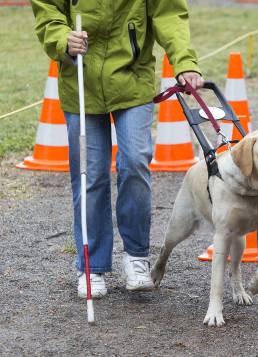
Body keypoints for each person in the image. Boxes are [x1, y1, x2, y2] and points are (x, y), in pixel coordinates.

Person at [31, 0, 204, 298]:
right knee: (91, 174)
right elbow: (47, 11)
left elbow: (169, 13)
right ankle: (91, 266)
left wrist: (184, 62)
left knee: (135, 161)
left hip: (132, 80)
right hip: (80, 82)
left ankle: (136, 257)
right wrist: (63, 39)